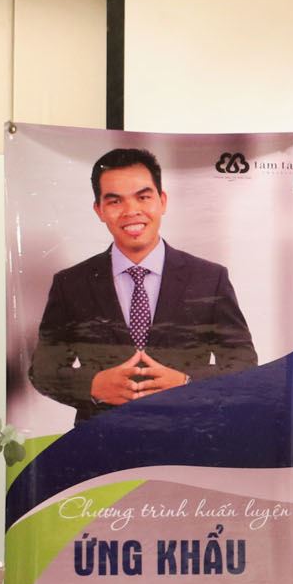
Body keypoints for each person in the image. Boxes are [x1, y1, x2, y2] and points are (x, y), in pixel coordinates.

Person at [27, 147, 257, 424]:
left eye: (143, 197)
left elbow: (243, 362)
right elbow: (43, 369)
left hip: (188, 438)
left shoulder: (209, 279)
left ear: (162, 201)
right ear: (99, 210)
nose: (131, 211)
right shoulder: (71, 284)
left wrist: (187, 383)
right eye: (115, 201)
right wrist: (93, 385)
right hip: (100, 440)